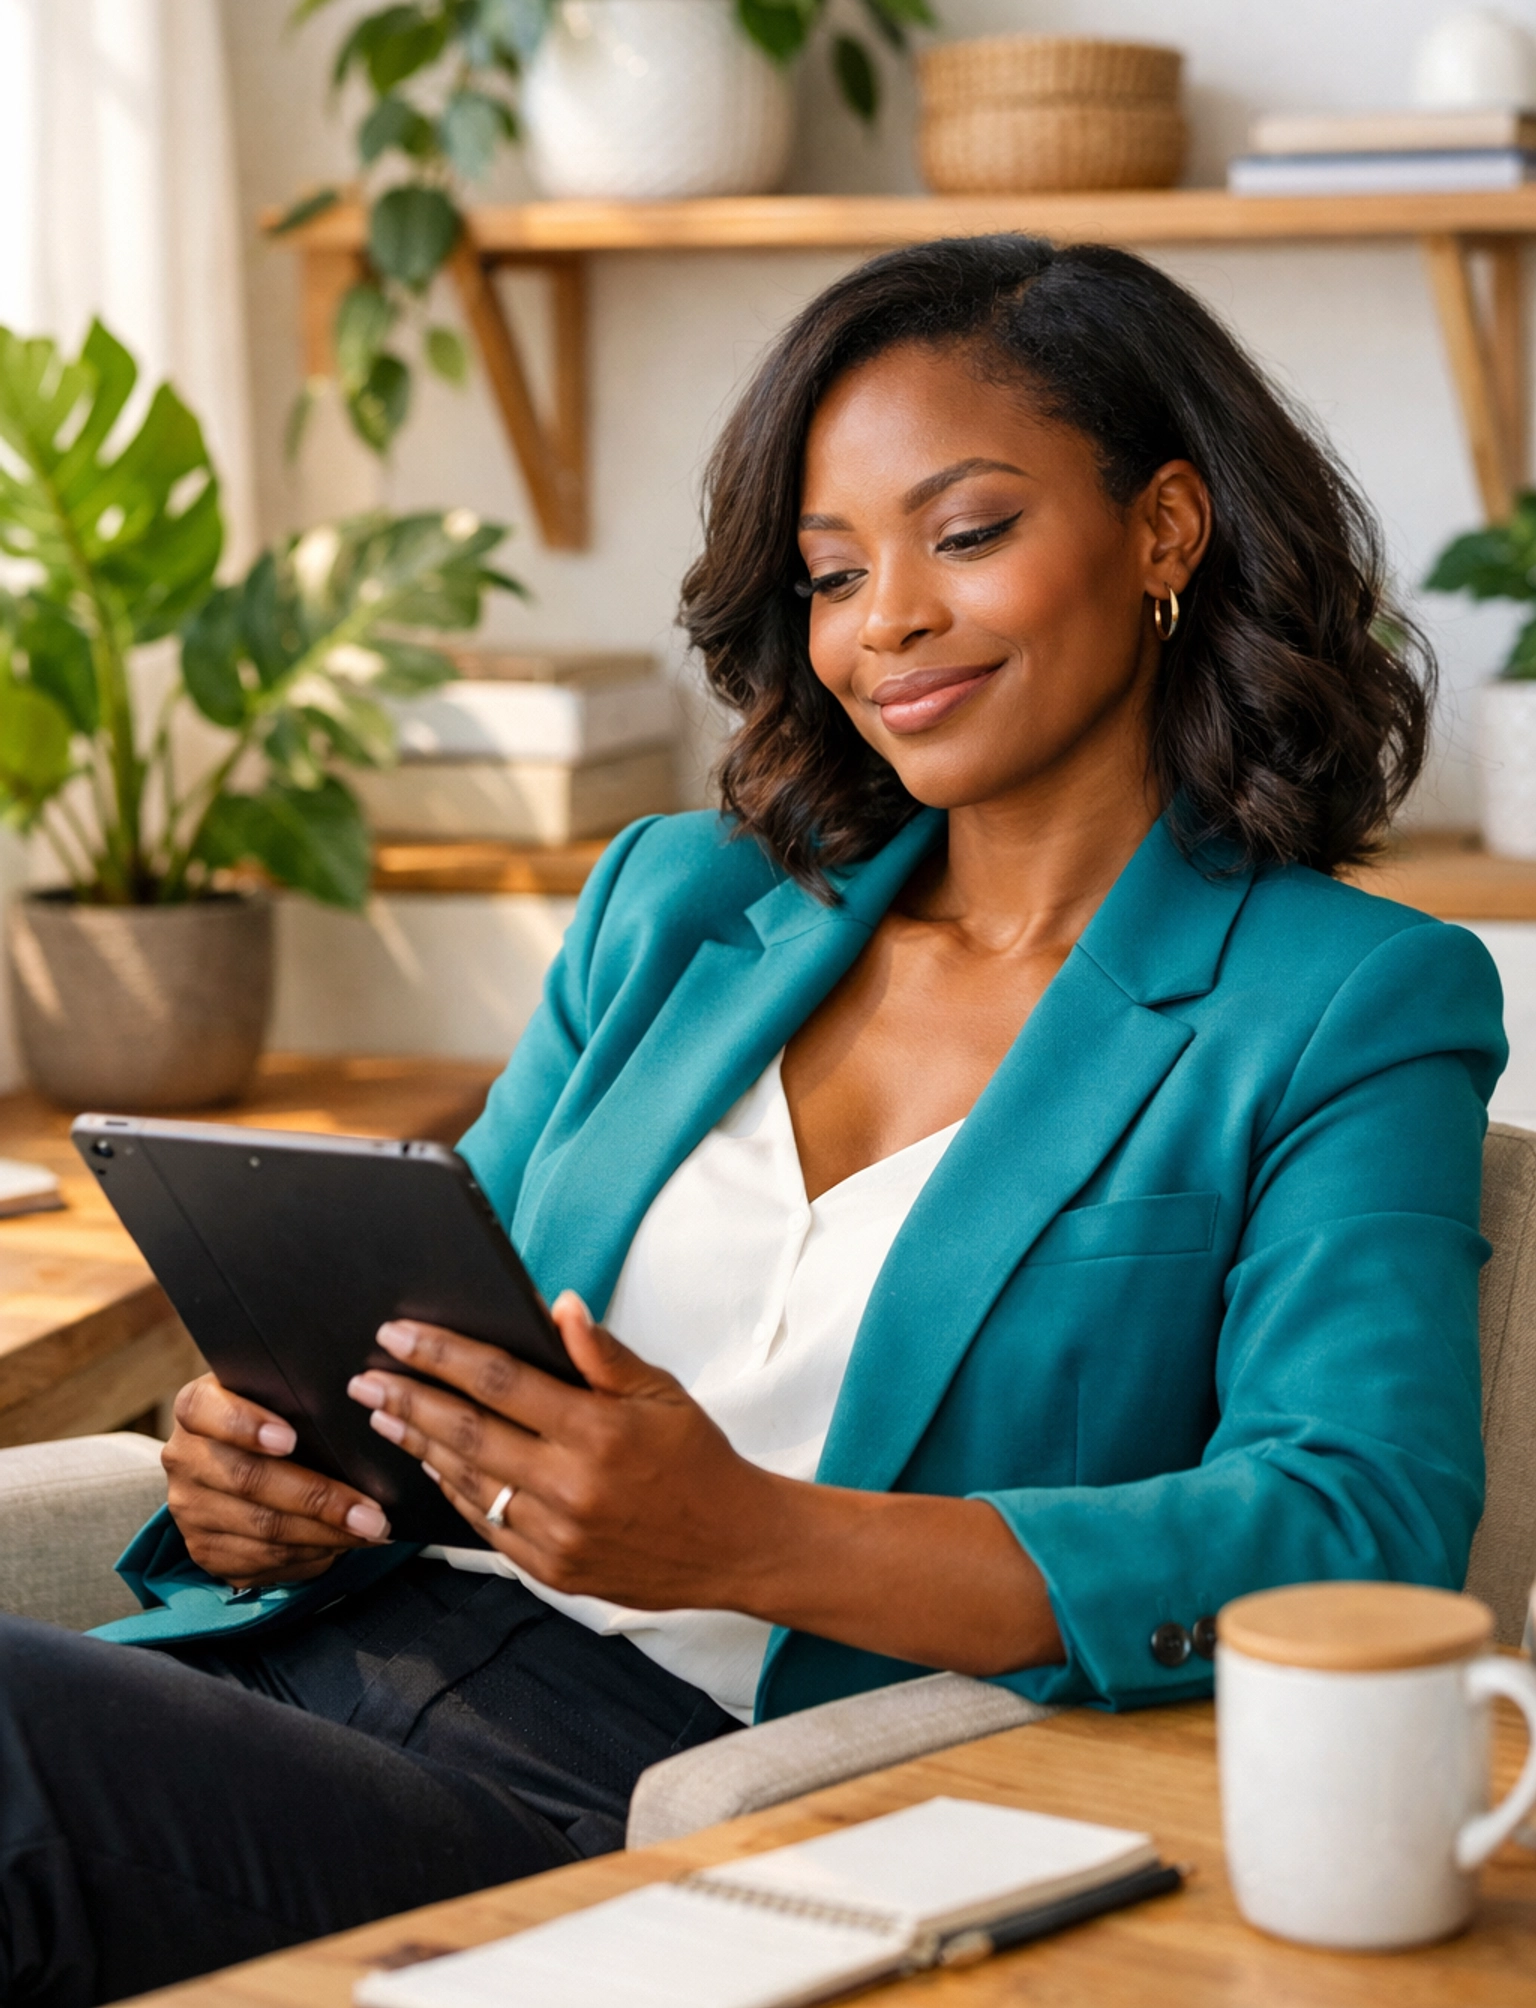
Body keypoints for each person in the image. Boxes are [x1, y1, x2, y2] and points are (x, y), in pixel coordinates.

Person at [0, 236, 1502, 2006]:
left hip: (678, 1800)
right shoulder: (679, 904)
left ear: (1165, 531)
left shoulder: (1344, 998)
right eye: (831, 571)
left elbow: (1357, 1516)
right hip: (317, 1665)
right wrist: (270, 1472)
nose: (888, 625)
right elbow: (435, 1329)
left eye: (968, 534)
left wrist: (756, 1539)